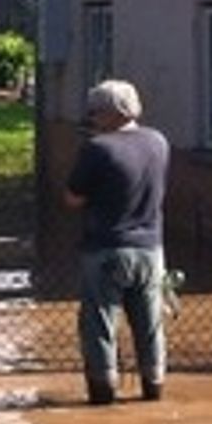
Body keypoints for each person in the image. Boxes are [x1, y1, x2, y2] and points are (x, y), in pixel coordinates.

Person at [63, 79, 170, 405]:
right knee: (150, 322)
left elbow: (72, 198)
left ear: (112, 113)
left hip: (106, 248)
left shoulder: (97, 149)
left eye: (95, 112)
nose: (91, 118)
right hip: (150, 249)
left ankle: (103, 391)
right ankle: (154, 386)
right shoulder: (158, 142)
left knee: (100, 323)